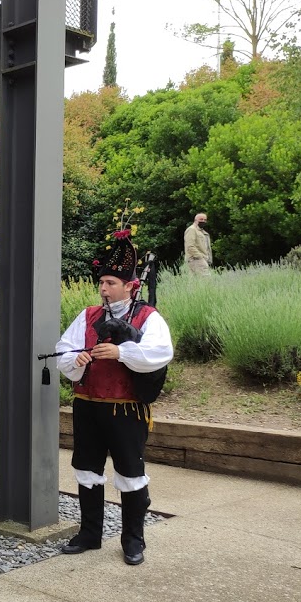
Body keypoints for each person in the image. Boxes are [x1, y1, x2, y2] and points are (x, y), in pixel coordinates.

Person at [56, 231, 174, 566]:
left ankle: (134, 540)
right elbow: (65, 350)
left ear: (129, 285)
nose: (104, 289)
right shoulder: (89, 315)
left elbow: (159, 353)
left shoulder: (147, 317)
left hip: (126, 410)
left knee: (130, 473)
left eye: (110, 282)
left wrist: (120, 352)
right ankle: (90, 534)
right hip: (87, 407)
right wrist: (74, 361)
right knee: (87, 470)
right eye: (102, 282)